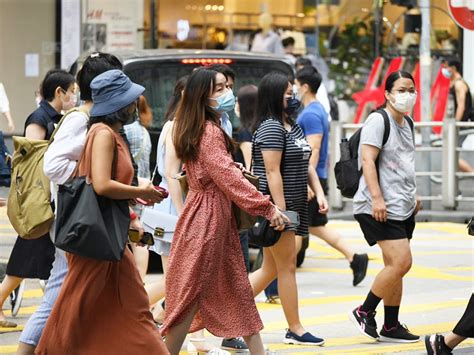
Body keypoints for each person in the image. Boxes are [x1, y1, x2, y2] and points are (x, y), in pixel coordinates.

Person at [35, 69, 167, 354]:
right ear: (119, 104)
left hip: (110, 236)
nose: (135, 105)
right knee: (76, 307)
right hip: (96, 239)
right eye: (131, 100)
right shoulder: (103, 133)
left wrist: (132, 212)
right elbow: (101, 185)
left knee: (134, 306)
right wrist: (141, 193)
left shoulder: (109, 133)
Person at [161, 68, 288, 355]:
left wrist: (234, 171)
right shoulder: (208, 131)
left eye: (226, 86)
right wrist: (266, 207)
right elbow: (227, 180)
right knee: (190, 296)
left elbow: (220, 171)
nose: (227, 92)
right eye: (218, 89)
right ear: (201, 97)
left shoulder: (204, 127)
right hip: (207, 220)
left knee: (236, 290)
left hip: (211, 217)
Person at [15, 53, 125, 354]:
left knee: (68, 291)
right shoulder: (82, 120)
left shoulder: (95, 120)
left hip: (84, 219)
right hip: (76, 218)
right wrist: (89, 171)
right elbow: (53, 165)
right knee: (58, 291)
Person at [249, 72, 328, 345]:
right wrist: (279, 211)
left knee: (271, 269)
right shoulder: (271, 127)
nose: (292, 96)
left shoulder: (291, 126)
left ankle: (230, 314)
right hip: (278, 208)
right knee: (287, 267)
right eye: (287, 92)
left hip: (292, 206)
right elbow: (272, 173)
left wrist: (318, 193)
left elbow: (306, 164)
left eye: (292, 91)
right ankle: (295, 328)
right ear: (274, 96)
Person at [349, 71, 421, 343]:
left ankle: (391, 325)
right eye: (401, 90)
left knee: (395, 265)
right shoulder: (378, 120)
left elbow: (403, 163)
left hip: (401, 204)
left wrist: (413, 195)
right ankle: (364, 310)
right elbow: (368, 161)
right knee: (402, 261)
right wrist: (377, 198)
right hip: (377, 205)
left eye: (411, 90)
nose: (407, 95)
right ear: (388, 93)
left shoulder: (408, 122)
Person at [0, 70, 76, 329]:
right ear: (59, 92)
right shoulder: (39, 118)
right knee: (27, 258)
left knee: (32, 260)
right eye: (72, 91)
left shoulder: (55, 117)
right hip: (39, 202)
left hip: (49, 201)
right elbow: (31, 162)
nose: (74, 96)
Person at [295, 66, 369, 286]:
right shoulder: (316, 111)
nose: (294, 89)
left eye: (296, 85)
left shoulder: (310, 114)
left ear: (305, 87)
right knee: (314, 227)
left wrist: (306, 181)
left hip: (311, 177)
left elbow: (313, 148)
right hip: (315, 177)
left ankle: (280, 273)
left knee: (298, 227)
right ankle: (355, 258)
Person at [442, 58, 474, 173]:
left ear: (453, 68)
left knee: (452, 156)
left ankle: (472, 173)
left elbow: (461, 106)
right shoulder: (454, 83)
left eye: (446, 67)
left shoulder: (459, 84)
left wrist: (454, 124)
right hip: (456, 124)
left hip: (461, 125)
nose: (444, 70)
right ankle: (455, 188)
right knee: (451, 155)